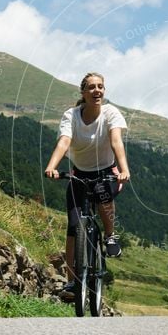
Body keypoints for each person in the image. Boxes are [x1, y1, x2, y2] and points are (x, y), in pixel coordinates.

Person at [44, 72, 130, 297]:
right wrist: (52, 166)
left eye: (100, 86)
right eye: (91, 87)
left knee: (102, 194)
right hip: (79, 174)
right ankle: (72, 282)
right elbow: (64, 142)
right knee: (73, 227)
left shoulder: (111, 113)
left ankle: (110, 235)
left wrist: (123, 170)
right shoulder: (71, 116)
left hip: (107, 172)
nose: (97, 91)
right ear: (83, 93)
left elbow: (116, 141)